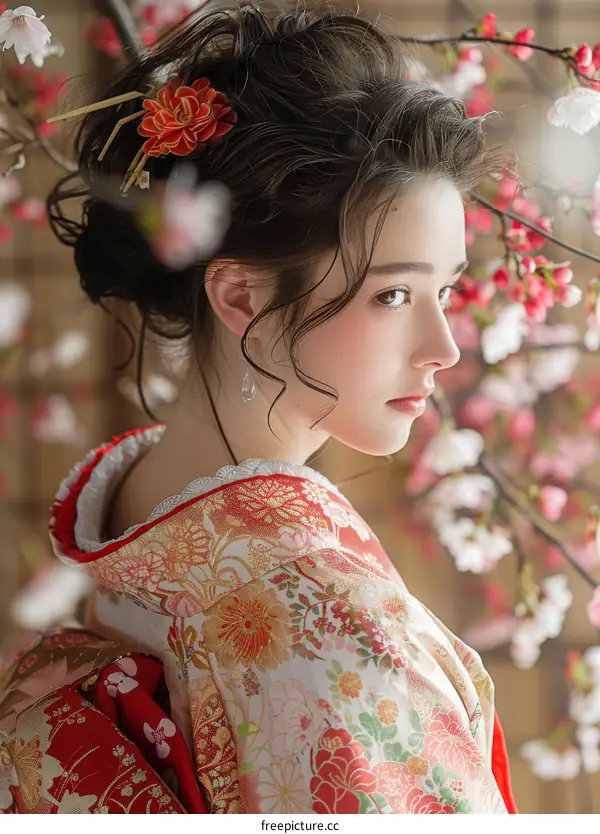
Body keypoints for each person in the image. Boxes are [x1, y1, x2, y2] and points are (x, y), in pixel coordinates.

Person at [0, 2, 517, 814]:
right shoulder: (329, 615)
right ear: (240, 292)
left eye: (445, 290)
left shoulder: (133, 522)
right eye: (392, 293)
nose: (443, 344)